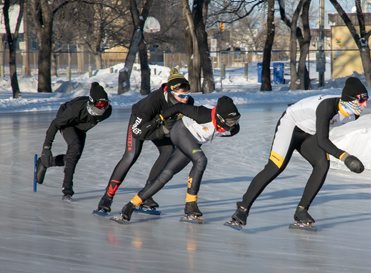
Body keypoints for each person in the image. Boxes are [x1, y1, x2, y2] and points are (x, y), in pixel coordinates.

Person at [225, 77, 368, 231]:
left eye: (366, 100)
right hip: (291, 125)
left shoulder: (354, 113)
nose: (365, 104)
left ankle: (301, 211)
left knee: (322, 165)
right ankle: (242, 209)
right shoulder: (327, 107)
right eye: (361, 101)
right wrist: (345, 157)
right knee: (276, 167)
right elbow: (323, 141)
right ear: (349, 99)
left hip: (309, 132)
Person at [113, 96, 241, 223]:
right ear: (219, 117)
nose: (233, 124)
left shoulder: (233, 128)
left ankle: (130, 206)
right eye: (230, 121)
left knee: (166, 174)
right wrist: (160, 118)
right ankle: (191, 205)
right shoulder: (202, 114)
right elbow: (179, 107)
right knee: (201, 160)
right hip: (180, 131)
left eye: (236, 120)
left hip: (193, 142)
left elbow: (227, 129)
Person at [95, 68, 193, 214]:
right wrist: (163, 131)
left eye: (187, 95)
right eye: (181, 96)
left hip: (160, 125)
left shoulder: (187, 101)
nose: (185, 99)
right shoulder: (152, 102)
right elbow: (138, 132)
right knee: (131, 155)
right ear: (170, 92)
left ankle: (146, 195)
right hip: (140, 123)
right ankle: (107, 198)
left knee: (168, 151)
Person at [36, 82, 112, 201]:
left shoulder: (107, 112)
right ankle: (67, 191)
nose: (103, 107)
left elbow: (91, 118)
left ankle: (46, 163)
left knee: (73, 157)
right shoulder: (75, 110)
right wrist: (46, 148)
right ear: (92, 102)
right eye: (100, 104)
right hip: (68, 121)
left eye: (105, 104)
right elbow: (54, 124)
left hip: (80, 128)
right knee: (75, 148)